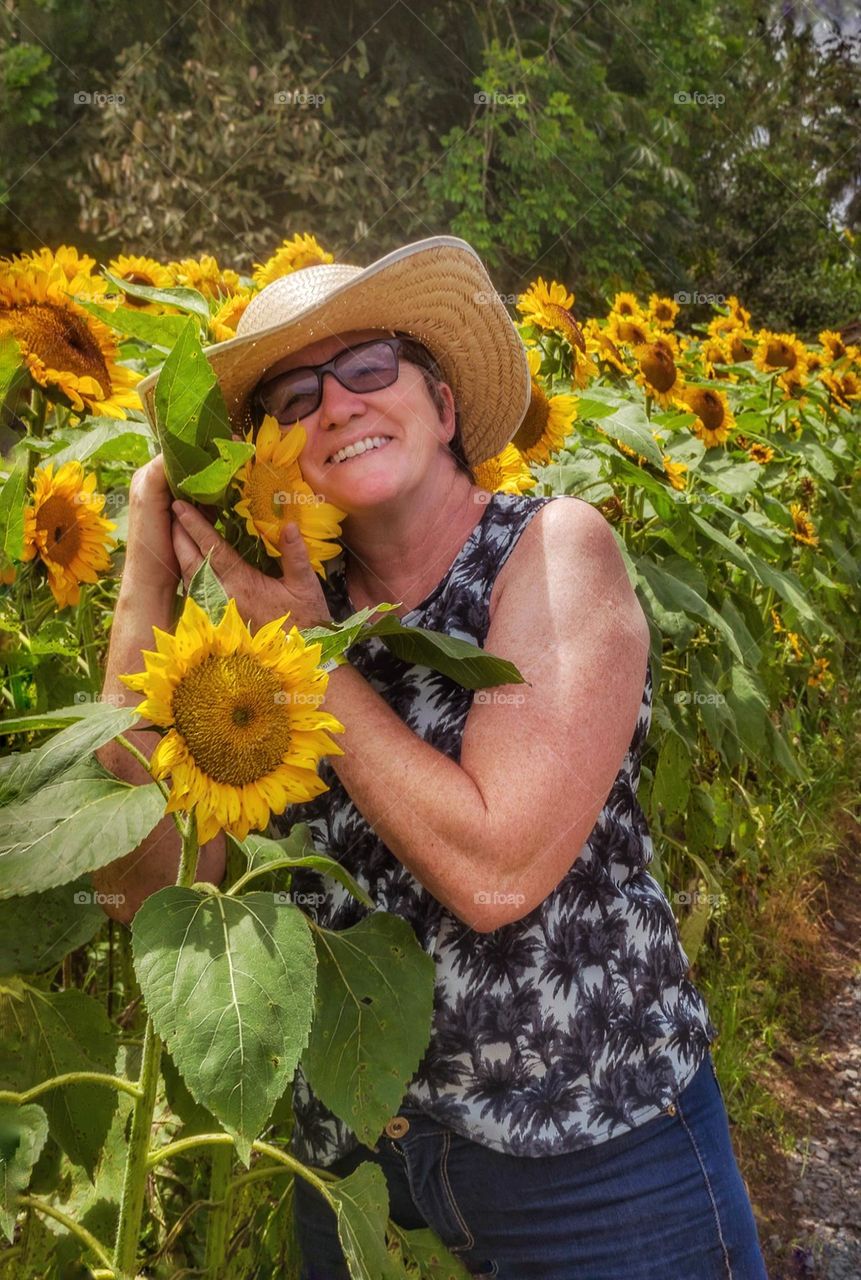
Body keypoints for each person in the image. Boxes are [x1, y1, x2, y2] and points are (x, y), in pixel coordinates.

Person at [93, 237, 768, 1279]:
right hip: (362, 1193)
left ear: (444, 406)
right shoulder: (252, 636)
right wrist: (150, 559)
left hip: (599, 1172)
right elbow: (140, 882)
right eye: (292, 393)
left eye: (369, 368)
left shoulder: (553, 552)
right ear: (265, 456)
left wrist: (310, 664)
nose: (336, 404)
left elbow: (497, 866)